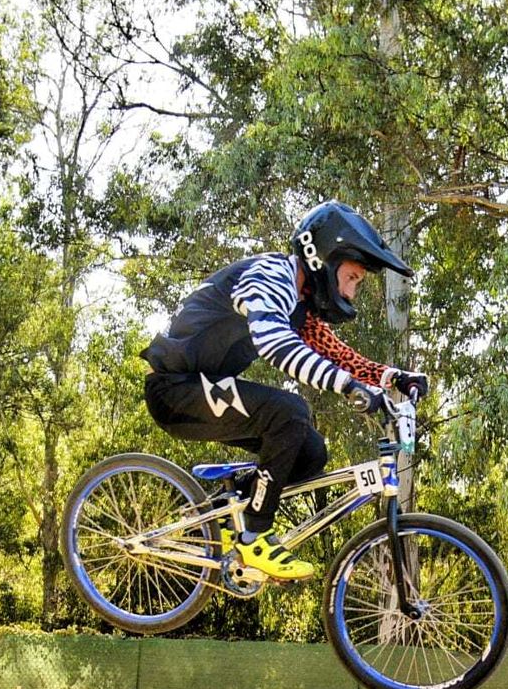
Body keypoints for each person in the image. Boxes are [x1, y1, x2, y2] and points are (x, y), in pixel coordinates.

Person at [140, 201, 429, 581]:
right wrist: (348, 388)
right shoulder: (269, 277)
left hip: (202, 390)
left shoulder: (297, 302)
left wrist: (392, 377)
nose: (352, 292)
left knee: (310, 452)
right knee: (290, 410)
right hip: (175, 390)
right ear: (325, 259)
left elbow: (335, 353)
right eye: (352, 277)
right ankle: (254, 534)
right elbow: (274, 342)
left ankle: (218, 518)